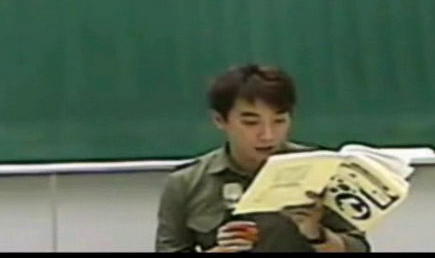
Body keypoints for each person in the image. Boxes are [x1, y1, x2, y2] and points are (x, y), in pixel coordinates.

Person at [155, 63, 371, 252]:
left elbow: (359, 248)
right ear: (220, 120)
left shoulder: (322, 170)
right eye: (251, 122)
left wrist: (317, 235)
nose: (267, 135)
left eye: (279, 121)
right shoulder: (185, 183)